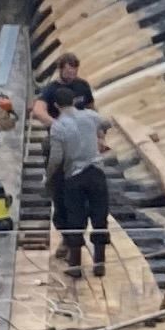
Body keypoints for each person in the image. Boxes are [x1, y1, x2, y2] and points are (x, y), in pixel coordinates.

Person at [46, 94, 112, 278]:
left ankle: (75, 266)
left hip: (74, 176)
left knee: (75, 219)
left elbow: (57, 158)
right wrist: (99, 137)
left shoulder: (58, 126)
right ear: (73, 102)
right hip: (96, 172)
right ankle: (99, 264)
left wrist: (50, 176)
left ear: (57, 105)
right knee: (100, 217)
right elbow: (107, 122)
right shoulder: (90, 116)